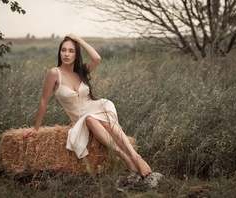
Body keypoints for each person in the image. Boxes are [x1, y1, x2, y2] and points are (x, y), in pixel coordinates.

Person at [24, 34, 152, 177]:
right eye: (63, 50)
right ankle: (124, 157)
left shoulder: (81, 71)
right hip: (80, 118)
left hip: (96, 106)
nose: (66, 54)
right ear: (59, 52)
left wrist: (79, 40)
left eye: (71, 51)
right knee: (89, 119)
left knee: (101, 120)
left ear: (76, 54)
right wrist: (36, 129)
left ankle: (136, 157)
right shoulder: (54, 73)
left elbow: (97, 58)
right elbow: (44, 101)